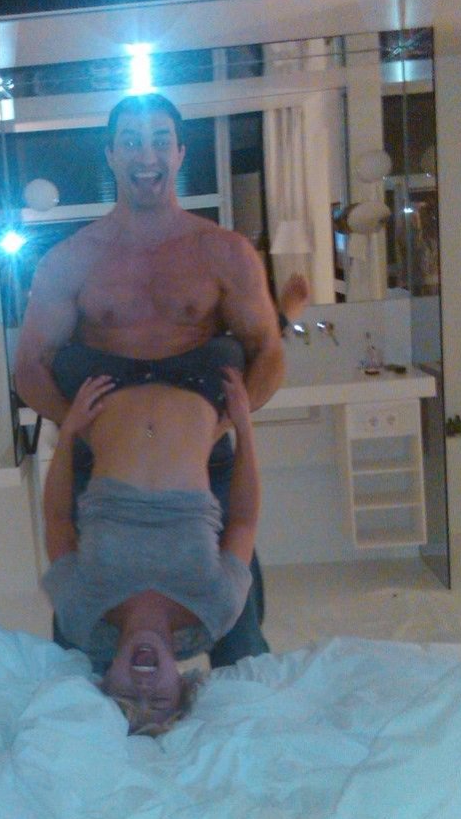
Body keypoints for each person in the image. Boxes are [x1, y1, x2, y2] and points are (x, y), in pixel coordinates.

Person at [15, 92, 285, 666]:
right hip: (102, 459)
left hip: (201, 455)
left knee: (237, 633)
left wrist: (223, 426)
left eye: (160, 141)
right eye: (132, 142)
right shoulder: (70, 259)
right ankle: (88, 716)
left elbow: (267, 351)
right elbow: (30, 368)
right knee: (82, 633)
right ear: (111, 154)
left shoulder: (225, 252)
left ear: (180, 152)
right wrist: (82, 428)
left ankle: (242, 714)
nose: (147, 155)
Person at [42, 366, 260, 733]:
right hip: (201, 385)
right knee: (265, 348)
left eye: (126, 696)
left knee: (33, 364)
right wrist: (243, 427)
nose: (143, 687)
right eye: (158, 700)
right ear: (183, 685)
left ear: (106, 680)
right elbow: (243, 522)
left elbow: (58, 520)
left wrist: (68, 432)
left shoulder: (80, 612)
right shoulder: (217, 608)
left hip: (105, 384)